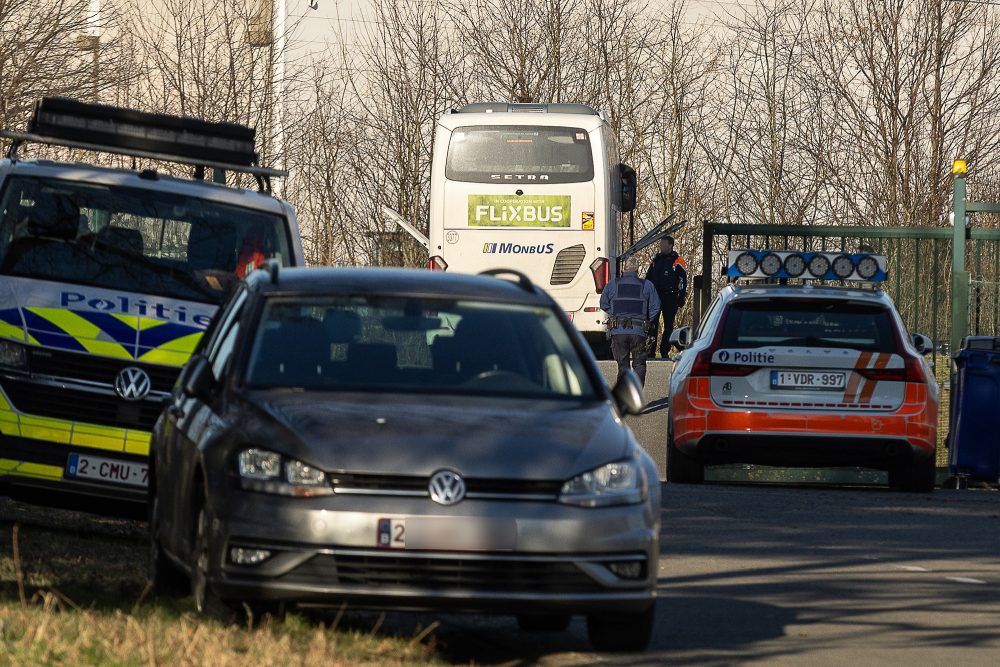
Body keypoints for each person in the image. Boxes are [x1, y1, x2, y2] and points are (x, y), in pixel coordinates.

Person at [600, 256, 661, 387]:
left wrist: (616, 314)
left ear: (623, 268)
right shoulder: (647, 285)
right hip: (639, 332)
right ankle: (636, 397)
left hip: (619, 332)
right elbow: (656, 306)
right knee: (639, 365)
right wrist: (646, 319)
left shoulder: (612, 284)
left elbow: (603, 303)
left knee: (623, 366)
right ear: (637, 270)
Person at [644, 235, 687, 357]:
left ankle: (664, 350)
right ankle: (650, 351)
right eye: (660, 244)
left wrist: (681, 296)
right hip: (655, 297)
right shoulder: (655, 260)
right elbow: (648, 278)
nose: (661, 247)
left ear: (670, 245)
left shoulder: (678, 260)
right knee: (652, 325)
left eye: (663, 244)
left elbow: (682, 280)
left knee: (668, 325)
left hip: (671, 297)